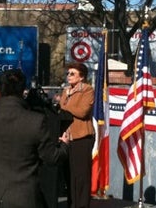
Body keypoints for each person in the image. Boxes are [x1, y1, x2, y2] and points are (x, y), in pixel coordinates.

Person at [0, 69, 70, 208]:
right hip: (23, 196)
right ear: (23, 91)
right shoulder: (35, 121)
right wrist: (65, 145)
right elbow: (52, 157)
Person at [59, 62, 94, 208]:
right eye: (68, 73)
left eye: (72, 73)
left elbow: (82, 111)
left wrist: (66, 106)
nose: (69, 76)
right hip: (67, 138)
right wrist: (66, 104)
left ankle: (82, 205)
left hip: (82, 138)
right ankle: (71, 203)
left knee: (81, 176)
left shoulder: (87, 90)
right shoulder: (66, 91)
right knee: (69, 175)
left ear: (81, 77)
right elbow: (61, 108)